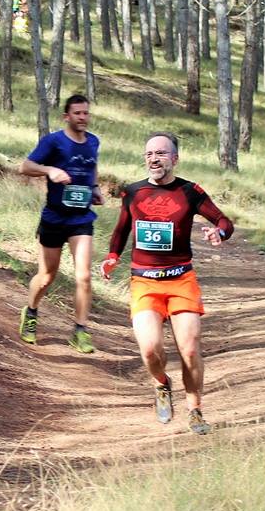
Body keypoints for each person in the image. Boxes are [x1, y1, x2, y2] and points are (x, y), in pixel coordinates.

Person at [99, 131, 234, 435]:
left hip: (181, 280)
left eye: (161, 153)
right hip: (144, 283)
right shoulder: (133, 192)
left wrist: (219, 234)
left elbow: (224, 222)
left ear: (175, 158)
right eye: (149, 154)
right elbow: (121, 230)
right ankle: (161, 384)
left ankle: (195, 410)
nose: (154, 159)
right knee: (150, 350)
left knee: (189, 349)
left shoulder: (190, 191)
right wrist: (111, 257)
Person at [18, 94, 102, 354]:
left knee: (84, 276)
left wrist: (96, 187)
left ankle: (80, 331)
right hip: (55, 217)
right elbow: (25, 166)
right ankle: (31, 312)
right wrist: (49, 171)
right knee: (46, 277)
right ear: (67, 116)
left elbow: (92, 167)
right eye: (77, 113)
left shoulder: (93, 142)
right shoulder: (54, 141)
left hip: (81, 218)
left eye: (86, 113)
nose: (82, 118)